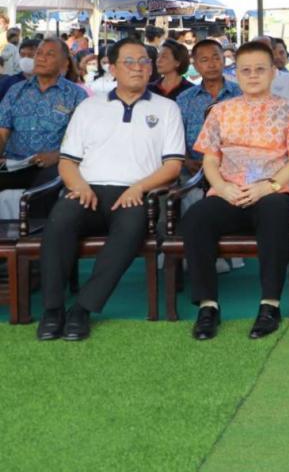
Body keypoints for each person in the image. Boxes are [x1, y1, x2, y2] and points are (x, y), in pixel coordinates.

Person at [35, 39, 185, 341]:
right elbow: (67, 161)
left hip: (135, 192)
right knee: (59, 222)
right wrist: (79, 186)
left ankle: (82, 309)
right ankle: (52, 309)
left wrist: (139, 188)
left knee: (130, 230)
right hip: (86, 190)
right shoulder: (89, 107)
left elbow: (173, 166)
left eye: (144, 61)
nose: (138, 68)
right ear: (113, 68)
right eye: (129, 62)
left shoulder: (167, 108)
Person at [182, 41, 289, 341]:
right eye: (245, 70)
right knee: (196, 218)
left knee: (275, 213)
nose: (253, 75)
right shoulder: (220, 112)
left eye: (259, 69)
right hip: (229, 191)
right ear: (236, 74)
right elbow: (210, 161)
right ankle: (207, 306)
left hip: (271, 191)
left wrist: (270, 186)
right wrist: (222, 188)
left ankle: (269, 305)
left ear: (273, 72)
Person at [0, 39, 88, 192]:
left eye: (50, 54)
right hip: (14, 163)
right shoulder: (16, 91)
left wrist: (56, 156)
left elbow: (84, 141)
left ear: (65, 62)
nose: (41, 58)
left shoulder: (76, 95)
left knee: (42, 191)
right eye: (39, 53)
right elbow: (2, 133)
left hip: (54, 167)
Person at [176, 40, 242, 176]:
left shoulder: (241, 94)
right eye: (204, 60)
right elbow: (176, 135)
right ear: (195, 65)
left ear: (224, 60)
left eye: (216, 58)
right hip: (194, 170)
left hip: (237, 170)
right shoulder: (185, 98)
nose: (211, 65)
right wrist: (186, 161)